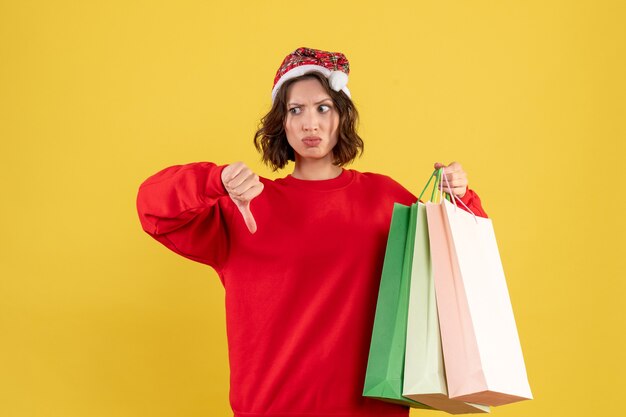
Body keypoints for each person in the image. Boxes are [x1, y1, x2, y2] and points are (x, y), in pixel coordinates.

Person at [136, 47, 488, 417]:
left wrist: (461, 197)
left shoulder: (386, 200)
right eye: (295, 110)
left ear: (342, 116)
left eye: (323, 108)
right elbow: (152, 206)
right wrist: (215, 179)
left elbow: (464, 257)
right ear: (281, 123)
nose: (310, 124)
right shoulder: (246, 205)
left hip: (368, 411)